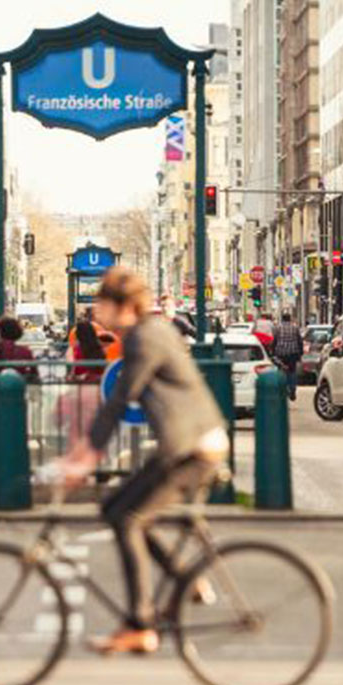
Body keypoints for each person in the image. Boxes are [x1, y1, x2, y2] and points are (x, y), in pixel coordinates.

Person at [58, 267, 228, 655]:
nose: (97, 310)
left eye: (103, 303)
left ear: (124, 307)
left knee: (128, 517)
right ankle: (185, 581)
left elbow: (120, 398)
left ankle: (140, 623)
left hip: (194, 448)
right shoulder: (148, 333)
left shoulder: (144, 339)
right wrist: (85, 455)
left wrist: (83, 458)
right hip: (184, 443)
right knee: (116, 507)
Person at [273, 312, 303, 401]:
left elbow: (275, 340)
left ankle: (282, 389)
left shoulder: (277, 328)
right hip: (292, 353)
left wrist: (272, 352)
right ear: (290, 319)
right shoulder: (295, 328)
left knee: (280, 371)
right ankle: (292, 389)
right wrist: (300, 353)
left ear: (282, 319)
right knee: (292, 371)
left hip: (280, 353)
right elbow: (299, 341)